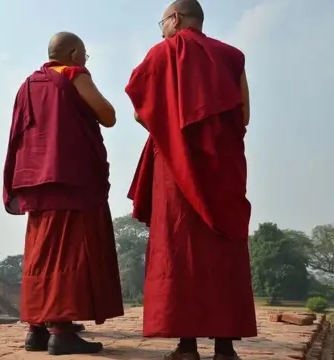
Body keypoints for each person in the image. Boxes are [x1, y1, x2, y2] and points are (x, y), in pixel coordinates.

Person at [124, 1, 256, 359]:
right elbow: (243, 112)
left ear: (175, 19)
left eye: (161, 22)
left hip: (174, 165)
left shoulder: (162, 53)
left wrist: (172, 129)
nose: (161, 29)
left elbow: (139, 113)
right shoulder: (232, 56)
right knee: (222, 248)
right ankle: (225, 347)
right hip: (224, 166)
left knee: (180, 247)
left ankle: (186, 347)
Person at [3, 31, 124, 355]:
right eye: (84, 55)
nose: (86, 60)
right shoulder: (73, 75)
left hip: (36, 180)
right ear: (73, 54)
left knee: (41, 252)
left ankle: (36, 329)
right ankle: (61, 331)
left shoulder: (28, 84)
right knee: (69, 254)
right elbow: (108, 115)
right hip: (70, 177)